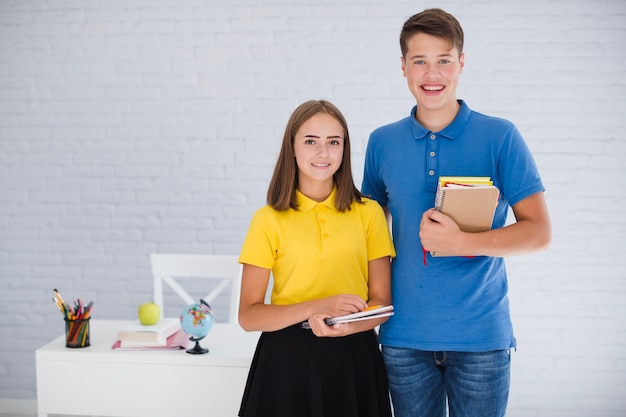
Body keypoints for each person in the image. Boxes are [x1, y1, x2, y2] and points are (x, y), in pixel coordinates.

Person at [361, 8, 552, 417]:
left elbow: (539, 232)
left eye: (444, 60)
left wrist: (461, 242)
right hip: (403, 339)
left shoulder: (500, 136)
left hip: (481, 340)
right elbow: (368, 239)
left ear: (461, 63)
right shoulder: (381, 143)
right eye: (420, 61)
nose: (433, 73)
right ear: (403, 67)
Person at [238, 99, 395, 417]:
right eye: (311, 141)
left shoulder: (369, 214)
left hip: (354, 358)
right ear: (292, 148)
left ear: (344, 149)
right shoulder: (268, 219)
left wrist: (346, 327)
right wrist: (316, 308)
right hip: (285, 363)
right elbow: (249, 315)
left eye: (333, 142)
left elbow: (382, 302)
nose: (323, 153)